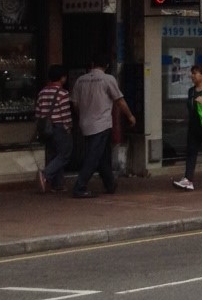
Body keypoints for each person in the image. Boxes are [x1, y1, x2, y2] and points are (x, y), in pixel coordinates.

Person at [70, 54, 136, 198]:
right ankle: (79, 186)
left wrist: (83, 115)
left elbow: (75, 103)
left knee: (103, 155)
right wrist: (130, 116)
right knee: (93, 156)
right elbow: (119, 101)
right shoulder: (108, 79)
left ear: (92, 64)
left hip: (85, 123)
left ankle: (109, 183)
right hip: (102, 124)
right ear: (106, 66)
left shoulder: (80, 80)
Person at [34, 64, 73, 194]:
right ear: (62, 78)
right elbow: (65, 113)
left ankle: (58, 184)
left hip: (46, 128)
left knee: (53, 155)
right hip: (59, 126)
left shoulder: (42, 92)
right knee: (64, 155)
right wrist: (68, 127)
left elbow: (38, 112)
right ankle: (45, 174)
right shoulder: (63, 93)